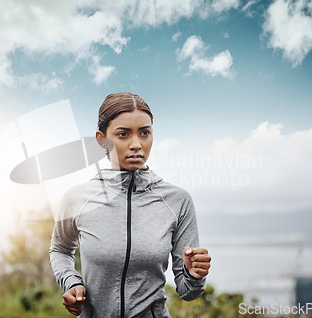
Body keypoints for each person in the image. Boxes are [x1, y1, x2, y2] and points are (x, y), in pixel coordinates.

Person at [49, 92, 211, 317]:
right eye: (123, 134)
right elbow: (60, 249)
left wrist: (194, 275)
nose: (136, 144)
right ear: (102, 139)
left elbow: (187, 292)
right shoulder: (77, 198)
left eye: (144, 133)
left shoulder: (177, 201)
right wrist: (71, 282)